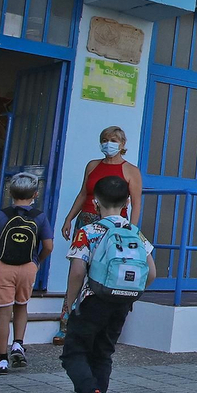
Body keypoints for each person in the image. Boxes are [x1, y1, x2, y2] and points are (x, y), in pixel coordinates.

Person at [61, 175, 155, 393]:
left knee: (73, 352)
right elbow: (152, 272)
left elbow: (78, 271)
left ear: (94, 201)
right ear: (127, 202)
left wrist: (70, 303)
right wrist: (132, 293)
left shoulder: (89, 232)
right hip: (122, 303)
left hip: (94, 301)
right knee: (103, 353)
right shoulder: (135, 232)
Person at [54, 126, 144, 344]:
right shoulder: (93, 165)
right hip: (86, 220)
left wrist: (131, 229)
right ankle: (66, 321)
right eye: (104, 139)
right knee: (76, 270)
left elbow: (137, 203)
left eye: (113, 139)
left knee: (106, 270)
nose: (108, 143)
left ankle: (100, 323)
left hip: (114, 227)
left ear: (122, 144)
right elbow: (83, 193)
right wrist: (68, 218)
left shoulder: (131, 170)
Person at [0, 173, 53, 374]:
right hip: (28, 267)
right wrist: (38, 262)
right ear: (35, 194)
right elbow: (48, 246)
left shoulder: (1, 215)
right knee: (22, 305)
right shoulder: (40, 217)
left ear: (10, 193)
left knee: (3, 312)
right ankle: (18, 344)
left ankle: (1, 359)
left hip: (4, 266)